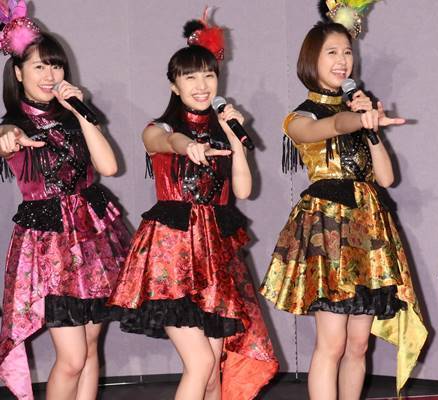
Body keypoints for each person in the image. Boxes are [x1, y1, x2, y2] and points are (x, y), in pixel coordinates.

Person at [107, 13, 277, 400]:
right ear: (174, 84)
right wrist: (188, 146)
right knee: (199, 364)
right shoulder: (161, 127)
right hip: (171, 258)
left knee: (213, 371)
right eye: (190, 77)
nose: (201, 85)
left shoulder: (224, 130)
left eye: (209, 76)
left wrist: (234, 139)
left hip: (215, 257)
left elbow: (244, 190)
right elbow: (162, 141)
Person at [260, 19, 427, 399]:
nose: (342, 60)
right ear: (311, 59)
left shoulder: (359, 111)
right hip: (328, 231)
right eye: (332, 52)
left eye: (347, 52)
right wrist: (355, 119)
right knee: (332, 343)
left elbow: (386, 178)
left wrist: (371, 129)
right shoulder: (300, 116)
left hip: (368, 230)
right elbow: (328, 126)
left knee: (358, 344)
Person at [0, 4, 130, 399]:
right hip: (50, 244)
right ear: (18, 73)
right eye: (39, 66)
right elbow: (4, 138)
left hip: (94, 235)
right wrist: (8, 138)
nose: (50, 75)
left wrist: (82, 113)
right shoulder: (14, 124)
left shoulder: (76, 117)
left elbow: (108, 166)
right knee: (71, 358)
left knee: (90, 350)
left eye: (55, 66)